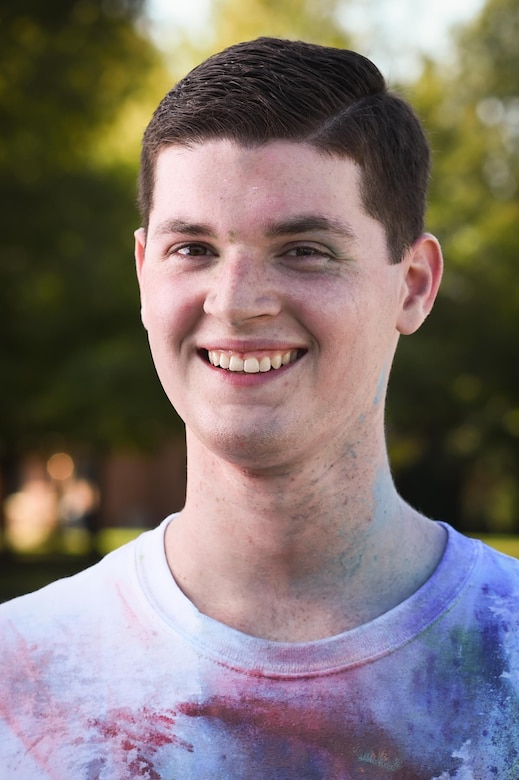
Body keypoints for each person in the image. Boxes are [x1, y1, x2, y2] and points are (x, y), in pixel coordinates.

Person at [1, 36, 518, 779]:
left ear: (411, 285)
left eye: (304, 248)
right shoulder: (18, 677)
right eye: (194, 249)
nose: (236, 302)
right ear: (144, 274)